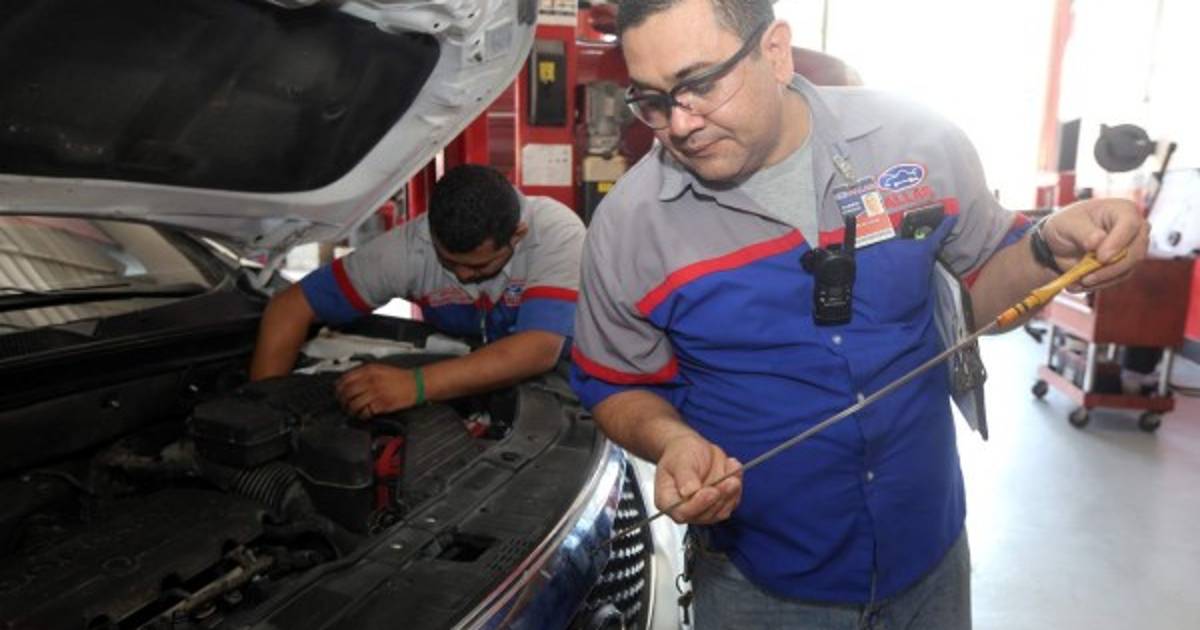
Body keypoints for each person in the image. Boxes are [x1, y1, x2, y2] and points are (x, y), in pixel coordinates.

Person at [569, 1, 1149, 628]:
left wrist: (1048, 249)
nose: (680, 124)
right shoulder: (629, 228)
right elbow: (615, 384)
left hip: (929, 555)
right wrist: (672, 440)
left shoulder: (917, 141)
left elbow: (981, 296)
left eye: (700, 84)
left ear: (775, 52)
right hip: (758, 582)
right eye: (653, 100)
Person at [251, 164, 584, 418]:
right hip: (472, 368)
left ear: (517, 235)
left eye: (479, 266)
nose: (463, 275)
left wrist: (416, 385)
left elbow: (538, 349)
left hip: (568, 382)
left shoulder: (554, 233)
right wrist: (261, 411)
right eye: (449, 261)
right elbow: (290, 306)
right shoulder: (409, 249)